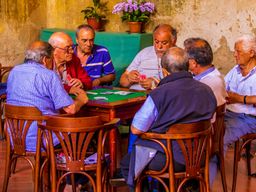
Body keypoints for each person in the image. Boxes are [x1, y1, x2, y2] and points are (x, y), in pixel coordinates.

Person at [120, 47, 217, 191]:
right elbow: (210, 122)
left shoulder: (159, 93)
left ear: (164, 71)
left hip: (169, 159)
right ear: (187, 65)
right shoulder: (207, 90)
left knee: (128, 163)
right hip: (200, 155)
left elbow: (136, 129)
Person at [6, 41, 88, 192]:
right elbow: (70, 109)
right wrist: (81, 100)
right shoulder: (48, 75)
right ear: (45, 59)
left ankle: (54, 181)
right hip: (42, 138)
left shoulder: (14, 71)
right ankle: (72, 184)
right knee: (83, 133)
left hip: (15, 137)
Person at [184, 37, 227, 186]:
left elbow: (188, 113)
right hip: (208, 135)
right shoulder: (210, 76)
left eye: (186, 58)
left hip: (201, 140)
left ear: (193, 63)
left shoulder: (206, 84)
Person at [224, 34, 256, 163]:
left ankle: (206, 174)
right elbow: (223, 88)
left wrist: (239, 98)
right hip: (228, 113)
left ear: (251, 53)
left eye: (238, 52)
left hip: (249, 118)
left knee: (220, 139)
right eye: (234, 51)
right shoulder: (235, 70)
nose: (235, 55)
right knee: (207, 130)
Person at [119, 24, 177, 90]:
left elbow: (178, 88)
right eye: (156, 42)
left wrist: (155, 85)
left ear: (173, 41)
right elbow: (122, 81)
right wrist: (129, 78)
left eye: (164, 43)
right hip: (134, 95)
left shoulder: (178, 57)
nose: (159, 47)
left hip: (155, 97)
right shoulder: (144, 52)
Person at [184, 37, 227, 107]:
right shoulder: (197, 75)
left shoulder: (212, 82)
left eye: (185, 58)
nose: (184, 60)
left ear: (193, 63)